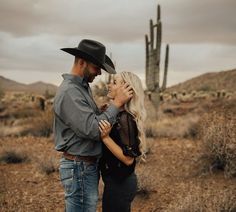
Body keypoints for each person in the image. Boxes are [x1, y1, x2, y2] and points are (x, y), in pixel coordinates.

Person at [53, 39, 133, 212]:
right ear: (82, 62)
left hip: (84, 166)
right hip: (79, 167)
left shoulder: (82, 88)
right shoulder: (70, 92)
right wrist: (116, 104)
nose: (98, 73)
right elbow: (94, 129)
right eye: (96, 67)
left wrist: (104, 110)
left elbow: (90, 120)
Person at [99, 71, 147, 212]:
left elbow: (128, 159)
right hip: (115, 182)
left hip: (120, 184)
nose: (109, 85)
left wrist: (105, 138)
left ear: (127, 90)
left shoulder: (125, 119)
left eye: (114, 83)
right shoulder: (117, 115)